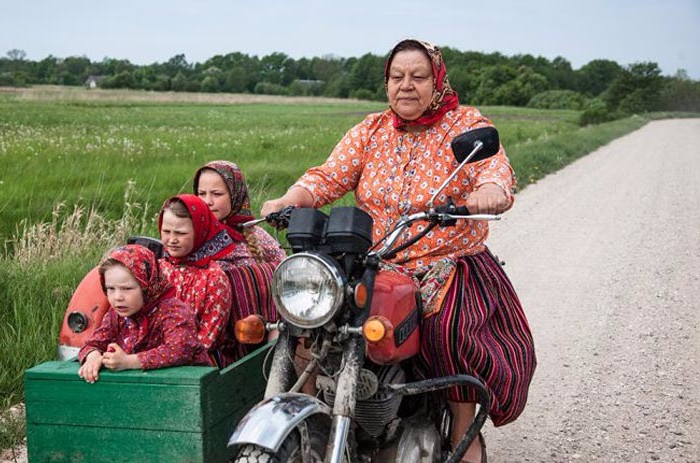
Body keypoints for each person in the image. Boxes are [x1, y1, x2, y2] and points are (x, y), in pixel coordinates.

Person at [261, 39, 536, 463]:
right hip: (376, 260)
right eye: (397, 76)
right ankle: (313, 418)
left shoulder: (465, 124)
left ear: (437, 81)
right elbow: (328, 176)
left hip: (443, 261)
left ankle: (464, 432)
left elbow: (494, 170)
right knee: (309, 316)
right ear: (387, 82)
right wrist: (289, 199)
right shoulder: (371, 130)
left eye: (418, 76)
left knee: (449, 331)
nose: (406, 86)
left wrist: (488, 193)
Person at [77, 244, 212, 383]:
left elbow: (179, 349)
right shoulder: (115, 316)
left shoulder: (174, 312)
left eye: (127, 288)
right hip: (146, 387)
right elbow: (94, 342)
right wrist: (93, 356)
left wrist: (129, 361)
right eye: (111, 288)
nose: (118, 297)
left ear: (147, 285)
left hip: (188, 387)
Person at [157, 194, 235, 367]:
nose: (172, 239)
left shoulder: (214, 278)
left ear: (200, 231)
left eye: (181, 233)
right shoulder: (157, 270)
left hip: (198, 365)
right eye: (166, 231)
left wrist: (167, 358)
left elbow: (208, 339)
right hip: (153, 358)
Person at [193, 160, 286, 269]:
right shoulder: (190, 235)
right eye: (202, 193)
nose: (208, 201)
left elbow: (286, 271)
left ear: (236, 195)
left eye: (217, 194)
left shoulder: (257, 236)